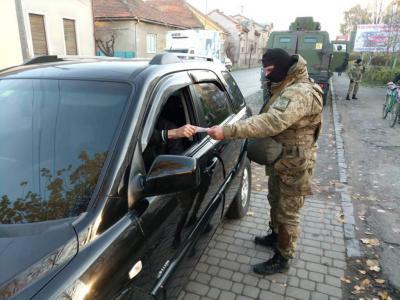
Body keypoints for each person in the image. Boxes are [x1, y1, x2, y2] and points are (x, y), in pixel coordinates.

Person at [207, 48, 323, 275]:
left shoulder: (299, 92)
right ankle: (275, 236)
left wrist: (228, 131)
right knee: (274, 199)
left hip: (296, 163)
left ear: (282, 67)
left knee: (288, 211)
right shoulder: (285, 85)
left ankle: (283, 257)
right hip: (282, 158)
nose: (267, 75)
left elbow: (272, 121)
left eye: (270, 70)